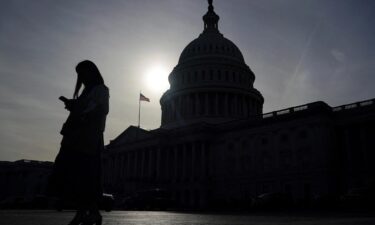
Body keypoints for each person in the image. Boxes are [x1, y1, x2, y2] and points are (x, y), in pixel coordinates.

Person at [48, 60, 109, 225]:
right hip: (75, 137)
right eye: (79, 74)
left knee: (84, 178)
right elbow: (85, 109)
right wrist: (72, 105)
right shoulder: (86, 92)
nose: (81, 77)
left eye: (83, 73)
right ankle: (91, 213)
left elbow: (96, 110)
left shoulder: (101, 90)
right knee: (77, 178)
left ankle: (84, 213)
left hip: (87, 140)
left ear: (92, 72)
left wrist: (77, 108)